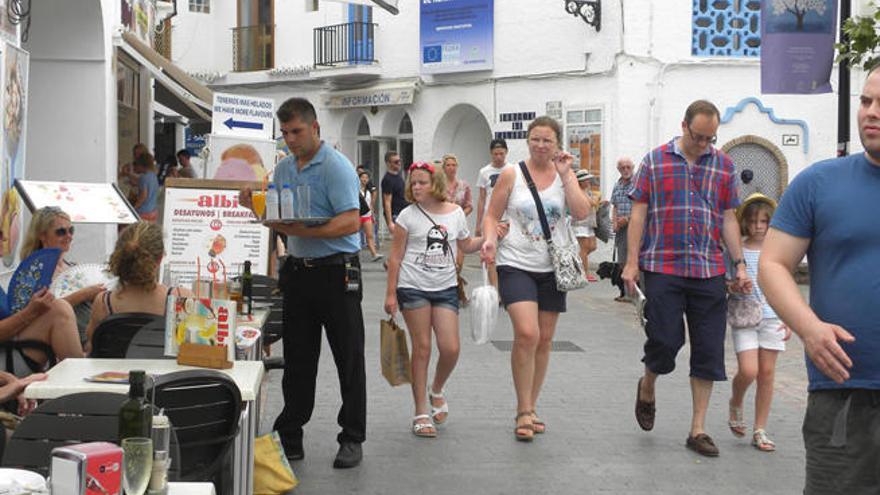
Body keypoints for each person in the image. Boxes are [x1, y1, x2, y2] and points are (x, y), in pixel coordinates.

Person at [759, 68, 880, 493]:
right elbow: (772, 264)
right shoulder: (819, 183)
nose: (871, 113)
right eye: (866, 101)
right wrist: (809, 328)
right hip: (843, 390)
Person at [238, 97, 366, 469]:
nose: (291, 139)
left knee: (348, 357)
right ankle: (290, 433)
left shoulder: (336, 167)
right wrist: (253, 206)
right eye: (285, 133)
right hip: (298, 270)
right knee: (298, 358)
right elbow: (277, 216)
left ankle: (352, 437)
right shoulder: (284, 169)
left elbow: (350, 222)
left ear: (314, 128)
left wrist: (306, 230)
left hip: (336, 271)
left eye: (296, 131)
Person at [622, 99, 749, 457]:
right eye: (699, 137)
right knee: (664, 340)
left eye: (711, 138)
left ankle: (698, 429)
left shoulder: (723, 165)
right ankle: (648, 384)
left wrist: (738, 263)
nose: (705, 144)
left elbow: (728, 218)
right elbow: (639, 214)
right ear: (683, 126)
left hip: (709, 269)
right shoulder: (654, 161)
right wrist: (631, 263)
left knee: (709, 349)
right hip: (662, 265)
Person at [480, 116, 590, 442]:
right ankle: (523, 409)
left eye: (547, 141)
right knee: (527, 333)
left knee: (544, 339)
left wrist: (567, 174)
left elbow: (583, 212)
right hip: (515, 262)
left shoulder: (564, 176)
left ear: (557, 144)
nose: (541, 146)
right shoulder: (511, 174)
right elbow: (490, 214)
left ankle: (531, 406)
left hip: (553, 268)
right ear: (527, 141)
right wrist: (489, 239)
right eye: (535, 139)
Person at [384, 161, 482, 438]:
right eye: (413, 182)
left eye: (422, 182)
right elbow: (395, 257)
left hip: (445, 287)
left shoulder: (454, 214)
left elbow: (465, 245)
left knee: (450, 348)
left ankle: (436, 388)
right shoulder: (407, 216)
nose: (416, 187)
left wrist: (488, 236)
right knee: (423, 347)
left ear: (435, 184)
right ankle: (420, 412)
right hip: (412, 286)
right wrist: (391, 294)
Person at [726, 193, 790, 452]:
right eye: (753, 221)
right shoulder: (737, 250)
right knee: (749, 370)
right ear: (745, 223)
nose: (758, 226)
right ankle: (736, 400)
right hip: (745, 316)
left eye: (764, 221)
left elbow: (787, 286)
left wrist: (789, 317)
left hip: (773, 317)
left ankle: (760, 428)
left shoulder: (779, 252)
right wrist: (735, 286)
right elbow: (727, 283)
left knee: (767, 374)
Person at [84, 222, 190, 354]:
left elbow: (92, 346)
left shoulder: (104, 303)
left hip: (116, 374)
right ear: (160, 258)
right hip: (164, 374)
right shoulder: (181, 299)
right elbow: (194, 351)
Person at [20, 207, 104, 343]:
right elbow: (42, 312)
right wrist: (84, 294)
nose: (69, 236)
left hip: (91, 334)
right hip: (65, 342)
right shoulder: (34, 273)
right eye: (61, 232)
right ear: (42, 236)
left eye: (71, 230)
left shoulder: (71, 266)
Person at [476, 138, 512, 288]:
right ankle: (495, 291)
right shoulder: (484, 172)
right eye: (495, 154)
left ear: (506, 153)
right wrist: (478, 224)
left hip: (508, 219)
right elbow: (482, 199)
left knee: (509, 256)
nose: (498, 157)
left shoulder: (512, 170)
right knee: (491, 255)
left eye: (501, 154)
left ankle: (508, 288)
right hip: (491, 220)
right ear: (491, 154)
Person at [610, 157, 635, 302]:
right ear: (619, 169)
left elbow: (643, 205)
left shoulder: (638, 183)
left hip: (634, 226)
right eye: (622, 168)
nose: (626, 170)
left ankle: (638, 293)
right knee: (622, 261)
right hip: (620, 227)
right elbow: (615, 206)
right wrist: (614, 223)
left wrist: (628, 218)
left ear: (632, 167)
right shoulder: (617, 185)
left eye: (628, 167)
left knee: (635, 259)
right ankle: (626, 293)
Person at [571, 169, 600, 283]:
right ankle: (585, 273)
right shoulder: (578, 191)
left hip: (589, 223)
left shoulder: (587, 191)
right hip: (580, 223)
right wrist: (597, 200)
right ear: (581, 181)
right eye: (586, 180)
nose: (589, 181)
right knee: (584, 248)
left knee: (592, 246)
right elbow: (592, 203)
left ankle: (576, 263)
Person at [381, 151, 409, 235]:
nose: (399, 163)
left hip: (403, 212)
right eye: (396, 162)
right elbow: (387, 201)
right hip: (396, 214)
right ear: (388, 163)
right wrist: (390, 222)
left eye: (400, 161)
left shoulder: (398, 176)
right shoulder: (388, 179)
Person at [358, 171, 382, 261]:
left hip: (367, 215)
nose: (364, 179)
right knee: (354, 235)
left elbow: (371, 204)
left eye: (366, 178)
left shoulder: (369, 191)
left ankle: (374, 254)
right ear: (359, 179)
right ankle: (353, 253)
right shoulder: (356, 189)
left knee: (370, 235)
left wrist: (372, 215)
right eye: (362, 177)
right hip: (357, 216)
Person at [132, 152, 160, 223]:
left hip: (143, 212)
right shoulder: (154, 176)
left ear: (141, 165)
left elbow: (143, 196)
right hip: (153, 211)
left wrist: (134, 208)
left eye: (137, 164)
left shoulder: (143, 178)